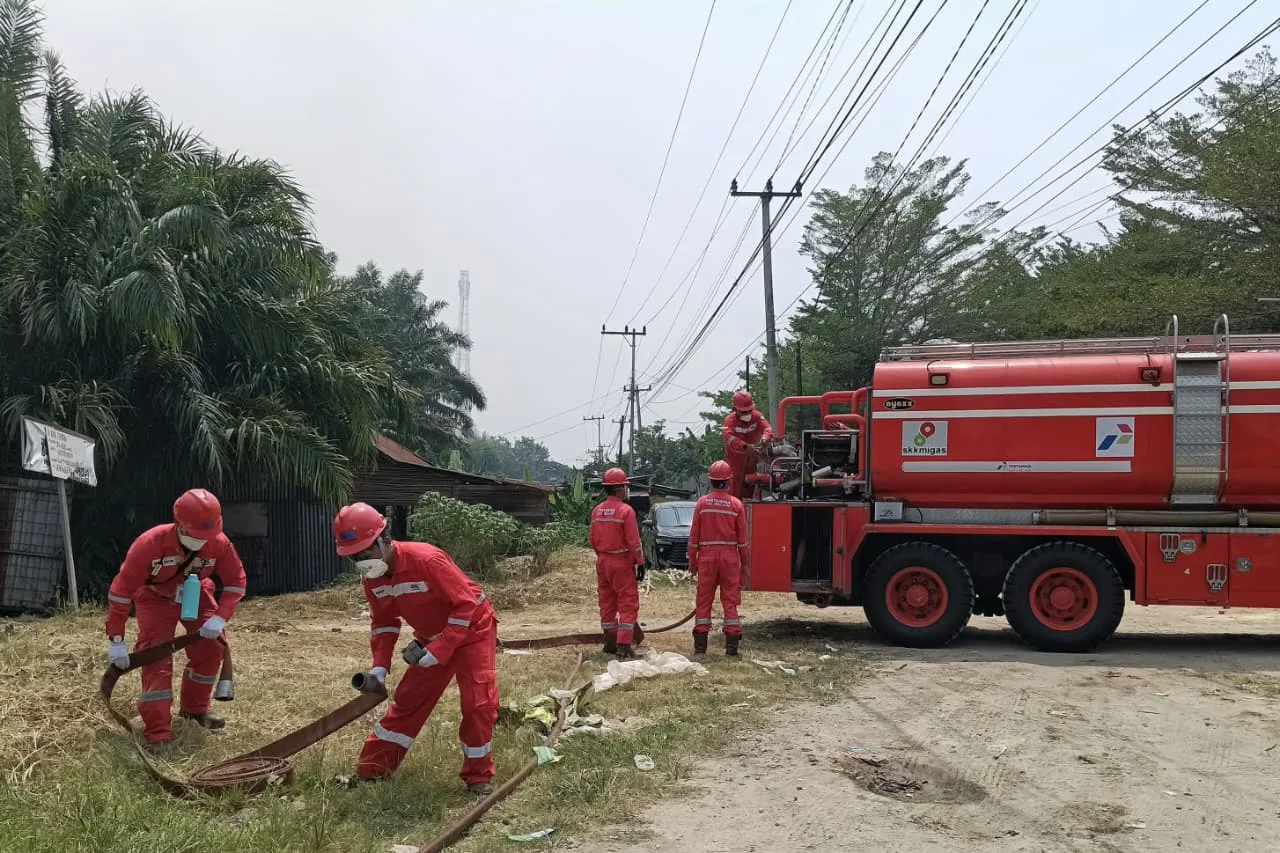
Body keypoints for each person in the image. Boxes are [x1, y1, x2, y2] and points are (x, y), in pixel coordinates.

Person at [335, 502, 499, 795]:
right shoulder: (372, 580)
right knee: (408, 701)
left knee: (477, 702)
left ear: (384, 539)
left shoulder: (427, 559)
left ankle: (478, 775)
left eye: (366, 552)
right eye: (354, 557)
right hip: (431, 637)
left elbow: (464, 605)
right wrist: (379, 667)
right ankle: (374, 769)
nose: (362, 561)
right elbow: (384, 623)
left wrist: (442, 648)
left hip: (472, 629)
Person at [104, 488, 247, 753]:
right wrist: (117, 639)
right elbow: (121, 593)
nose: (205, 542)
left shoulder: (219, 542)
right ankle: (158, 733)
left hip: (197, 592)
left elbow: (236, 582)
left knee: (212, 647)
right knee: (156, 656)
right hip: (154, 597)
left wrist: (219, 618)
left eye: (209, 535)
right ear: (179, 525)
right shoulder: (149, 544)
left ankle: (195, 711)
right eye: (197, 536)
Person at [687, 460, 750, 657]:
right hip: (729, 557)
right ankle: (731, 648)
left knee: (703, 601)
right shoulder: (736, 505)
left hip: (706, 557)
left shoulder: (702, 504)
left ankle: (700, 648)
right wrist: (745, 565)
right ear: (729, 481)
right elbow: (743, 541)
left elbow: (693, 537)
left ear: (711, 481)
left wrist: (692, 562)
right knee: (730, 601)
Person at [589, 467, 645, 661]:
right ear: (620, 488)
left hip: (602, 560)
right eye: (625, 486)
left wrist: (603, 556)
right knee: (628, 603)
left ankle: (610, 643)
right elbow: (633, 541)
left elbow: (593, 540)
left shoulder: (597, 511)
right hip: (621, 561)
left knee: (607, 602)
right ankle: (623, 646)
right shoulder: (626, 511)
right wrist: (640, 563)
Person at [721, 390, 773, 500]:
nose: (747, 414)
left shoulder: (757, 417)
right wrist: (744, 446)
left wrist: (764, 439)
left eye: (749, 411)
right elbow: (728, 438)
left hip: (752, 463)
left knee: (750, 495)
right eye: (744, 412)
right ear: (735, 409)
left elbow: (767, 429)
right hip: (734, 466)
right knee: (733, 497)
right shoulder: (729, 421)